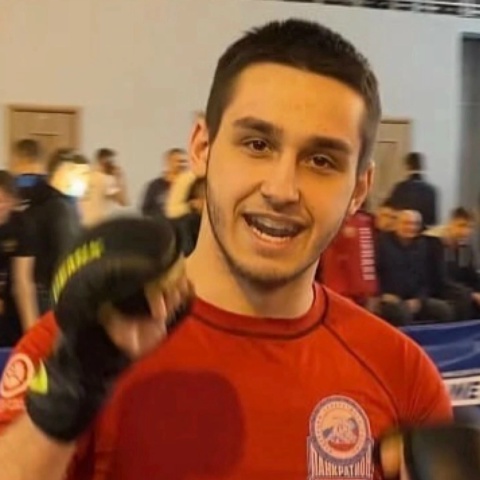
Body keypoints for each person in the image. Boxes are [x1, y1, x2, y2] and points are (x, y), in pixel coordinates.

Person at [0, 19, 452, 480]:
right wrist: (63, 404)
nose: (281, 189)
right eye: (257, 144)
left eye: (321, 160)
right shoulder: (85, 341)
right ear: (202, 147)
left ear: (359, 188)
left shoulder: (403, 377)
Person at [21, 149, 89, 315]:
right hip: (53, 294)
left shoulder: (36, 201)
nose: (86, 181)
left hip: (37, 292)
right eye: (82, 174)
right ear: (64, 171)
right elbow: (66, 256)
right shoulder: (61, 209)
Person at [376, 209, 453, 326]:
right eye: (406, 223)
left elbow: (428, 277)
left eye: (415, 224)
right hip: (389, 298)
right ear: (396, 224)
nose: (411, 227)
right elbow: (375, 273)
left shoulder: (424, 246)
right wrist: (383, 294)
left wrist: (419, 299)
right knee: (400, 312)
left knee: (443, 310)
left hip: (417, 298)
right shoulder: (381, 243)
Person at [0, 171, 35, 345]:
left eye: (4, 200)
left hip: (10, 312)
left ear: (13, 202)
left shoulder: (22, 226)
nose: (1, 206)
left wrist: (32, 333)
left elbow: (23, 282)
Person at [79, 148, 129, 227]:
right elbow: (123, 201)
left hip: (80, 223)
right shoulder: (106, 180)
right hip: (97, 224)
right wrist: (119, 178)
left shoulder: (83, 176)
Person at [388, 152, 438, 229]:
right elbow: (432, 221)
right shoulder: (431, 190)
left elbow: (391, 213)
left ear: (407, 166)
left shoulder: (400, 188)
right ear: (422, 166)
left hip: (402, 230)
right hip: (423, 232)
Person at [140, 148, 189, 217]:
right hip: (159, 222)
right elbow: (145, 210)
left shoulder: (191, 185)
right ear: (168, 162)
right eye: (179, 161)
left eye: (184, 162)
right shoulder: (155, 186)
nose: (182, 165)